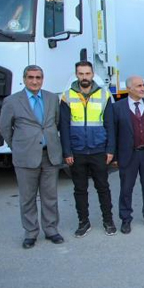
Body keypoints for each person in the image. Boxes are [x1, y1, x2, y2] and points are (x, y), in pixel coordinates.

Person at [0, 65, 64, 249]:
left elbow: (55, 123)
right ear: (24, 79)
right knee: (27, 197)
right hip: (25, 157)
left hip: (50, 155)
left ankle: (51, 230)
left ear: (43, 79)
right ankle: (30, 232)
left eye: (38, 77)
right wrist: (18, 146)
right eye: (31, 77)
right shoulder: (12, 101)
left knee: (50, 196)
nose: (35, 81)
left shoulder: (52, 98)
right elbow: (4, 128)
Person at [59, 61, 116, 238]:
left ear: (93, 75)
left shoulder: (104, 95)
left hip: (99, 150)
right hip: (77, 151)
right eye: (81, 74)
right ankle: (83, 222)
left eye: (87, 74)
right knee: (80, 190)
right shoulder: (67, 96)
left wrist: (110, 149)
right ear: (76, 75)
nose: (84, 77)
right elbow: (64, 127)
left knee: (103, 188)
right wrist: (67, 152)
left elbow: (110, 125)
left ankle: (108, 221)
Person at [110, 76, 144, 234]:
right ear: (129, 88)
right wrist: (115, 156)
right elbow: (113, 133)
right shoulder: (117, 108)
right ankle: (126, 219)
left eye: (143, 85)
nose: (143, 88)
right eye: (139, 86)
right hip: (128, 155)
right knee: (126, 189)